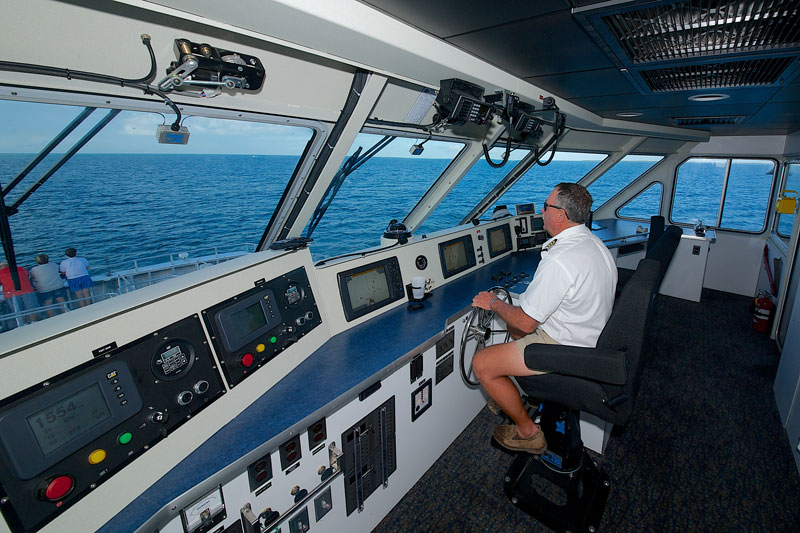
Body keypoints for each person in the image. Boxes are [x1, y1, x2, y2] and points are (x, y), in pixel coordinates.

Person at [471, 183, 617, 454]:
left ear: (560, 215)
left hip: (565, 347)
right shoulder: (594, 244)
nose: (542, 211)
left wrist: (493, 303)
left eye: (546, 206)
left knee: (482, 364)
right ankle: (518, 396)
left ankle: (528, 434)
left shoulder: (560, 259)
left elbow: (527, 323)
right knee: (515, 327)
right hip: (590, 335)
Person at [0, 260, 40, 324]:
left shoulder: (0, 273)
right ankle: (34, 321)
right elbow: (27, 275)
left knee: (18, 310)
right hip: (27, 290)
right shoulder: (22, 269)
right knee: (31, 308)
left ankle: (23, 323)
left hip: (11, 294)